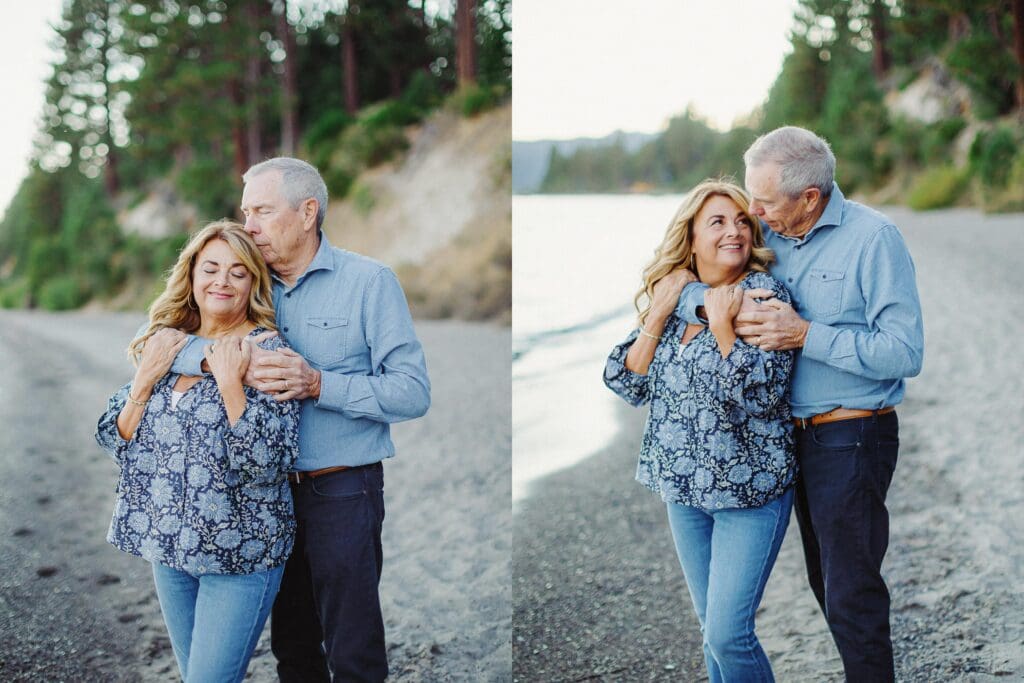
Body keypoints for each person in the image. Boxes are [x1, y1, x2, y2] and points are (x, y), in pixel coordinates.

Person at [168, 157, 431, 682]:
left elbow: (412, 392)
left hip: (342, 491)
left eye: (262, 211)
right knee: (293, 649)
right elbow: (172, 336)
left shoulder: (369, 283)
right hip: (262, 498)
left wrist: (319, 384)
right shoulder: (244, 279)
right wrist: (209, 361)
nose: (250, 226)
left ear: (308, 212)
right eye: (246, 212)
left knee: (352, 646)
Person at [676, 127, 924, 682]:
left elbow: (905, 352)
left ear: (809, 196)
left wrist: (805, 334)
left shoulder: (873, 239)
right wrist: (705, 308)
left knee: (850, 592)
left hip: (852, 436)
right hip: (787, 441)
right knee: (823, 584)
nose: (751, 212)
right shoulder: (771, 231)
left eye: (762, 201)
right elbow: (689, 276)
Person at [604, 179, 796, 682]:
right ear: (689, 237)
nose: (733, 231)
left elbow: (763, 396)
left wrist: (723, 326)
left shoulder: (764, 295)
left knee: (729, 634)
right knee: (710, 629)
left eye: (741, 221)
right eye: (717, 221)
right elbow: (625, 380)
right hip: (683, 491)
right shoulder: (675, 297)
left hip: (750, 493)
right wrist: (661, 311)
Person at [95, 220, 300, 683]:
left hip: (241, 553)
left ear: (253, 282)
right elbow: (116, 439)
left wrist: (231, 386)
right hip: (168, 547)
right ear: (191, 275)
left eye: (237, 272)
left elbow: (268, 461)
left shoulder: (267, 351)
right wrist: (145, 380)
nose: (221, 282)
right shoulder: (165, 341)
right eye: (210, 268)